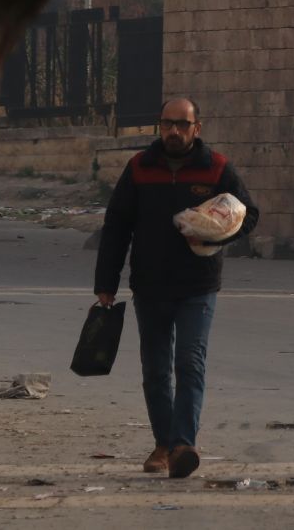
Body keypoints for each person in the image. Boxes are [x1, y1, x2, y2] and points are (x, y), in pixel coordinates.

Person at [93, 97, 260, 479]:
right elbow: (117, 226)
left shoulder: (216, 168)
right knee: (155, 370)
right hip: (149, 286)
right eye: (168, 124)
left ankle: (184, 443)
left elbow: (249, 214)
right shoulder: (139, 168)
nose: (174, 131)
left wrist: (216, 236)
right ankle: (163, 444)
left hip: (197, 286)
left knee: (189, 362)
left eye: (182, 125)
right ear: (159, 126)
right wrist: (106, 283)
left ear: (196, 128)